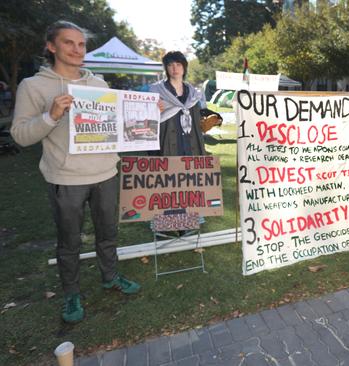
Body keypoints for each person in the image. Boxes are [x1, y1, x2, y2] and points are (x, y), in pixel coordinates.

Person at [10, 21, 140, 324]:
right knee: (69, 242)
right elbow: (20, 135)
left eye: (81, 44)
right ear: (51, 46)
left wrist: (147, 112)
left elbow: (118, 124)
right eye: (69, 43)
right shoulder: (33, 86)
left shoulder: (98, 85)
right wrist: (51, 115)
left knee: (108, 234)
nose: (77, 49)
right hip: (65, 179)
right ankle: (71, 295)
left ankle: (110, 276)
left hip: (106, 173)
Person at [149, 51, 212, 156]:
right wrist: (154, 111)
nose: (175, 68)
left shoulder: (194, 94)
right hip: (166, 146)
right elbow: (146, 121)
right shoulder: (155, 91)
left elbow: (200, 120)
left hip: (192, 147)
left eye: (178, 64)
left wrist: (206, 121)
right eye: (170, 65)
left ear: (184, 67)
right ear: (166, 68)